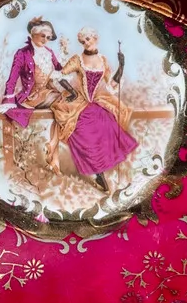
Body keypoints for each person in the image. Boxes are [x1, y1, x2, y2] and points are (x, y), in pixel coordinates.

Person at [49, 26, 137, 192]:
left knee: (107, 124)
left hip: (95, 101)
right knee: (84, 131)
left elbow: (111, 84)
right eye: (82, 41)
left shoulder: (103, 60)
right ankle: (99, 173)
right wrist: (72, 92)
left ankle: (101, 170)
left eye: (88, 39)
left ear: (95, 38)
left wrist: (121, 66)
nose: (86, 43)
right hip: (79, 103)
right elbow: (59, 75)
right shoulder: (77, 59)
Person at [0, 17, 75, 127]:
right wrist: (8, 100)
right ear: (33, 35)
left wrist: (65, 53)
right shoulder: (22, 53)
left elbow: (60, 71)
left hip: (49, 92)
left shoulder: (49, 52)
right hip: (32, 96)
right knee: (64, 104)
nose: (45, 40)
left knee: (72, 102)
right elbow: (12, 79)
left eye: (48, 37)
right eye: (43, 36)